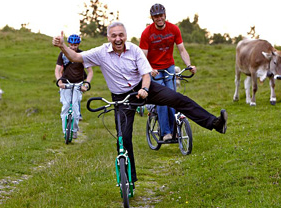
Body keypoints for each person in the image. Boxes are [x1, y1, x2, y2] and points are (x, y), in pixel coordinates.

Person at [52, 21, 227, 187]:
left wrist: (144, 89)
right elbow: (75, 56)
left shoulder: (134, 50)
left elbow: (145, 74)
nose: (118, 39)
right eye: (114, 36)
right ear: (108, 38)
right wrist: (62, 46)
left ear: (126, 35)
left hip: (143, 88)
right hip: (121, 97)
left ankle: (215, 123)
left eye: (121, 35)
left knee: (178, 99)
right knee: (124, 138)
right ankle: (129, 180)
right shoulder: (101, 52)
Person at [140, 3, 196, 141]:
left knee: (173, 99)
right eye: (156, 16)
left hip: (169, 68)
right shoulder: (147, 33)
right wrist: (149, 70)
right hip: (154, 71)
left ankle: (175, 131)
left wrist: (188, 65)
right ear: (152, 18)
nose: (159, 18)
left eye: (161, 15)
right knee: (162, 101)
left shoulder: (174, 29)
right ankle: (166, 133)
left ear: (165, 15)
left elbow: (181, 50)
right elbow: (142, 57)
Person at [55, 34, 93, 139]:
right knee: (65, 107)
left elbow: (90, 72)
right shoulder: (62, 54)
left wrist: (86, 84)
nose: (73, 47)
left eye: (75, 45)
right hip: (65, 83)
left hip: (78, 84)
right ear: (68, 44)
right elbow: (57, 69)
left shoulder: (82, 55)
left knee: (76, 109)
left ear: (79, 44)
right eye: (71, 45)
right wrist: (59, 81)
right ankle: (65, 132)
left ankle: (75, 130)